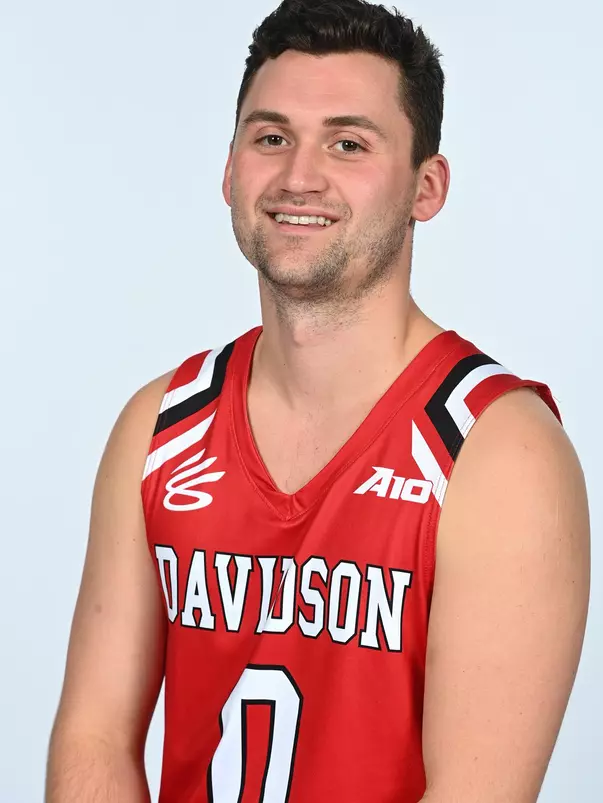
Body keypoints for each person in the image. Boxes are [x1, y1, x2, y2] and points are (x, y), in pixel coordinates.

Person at [45, 1, 591, 801]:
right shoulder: (160, 424)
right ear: (230, 170)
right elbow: (93, 738)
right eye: (271, 138)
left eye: (348, 143)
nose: (299, 175)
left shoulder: (497, 451)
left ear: (425, 187)